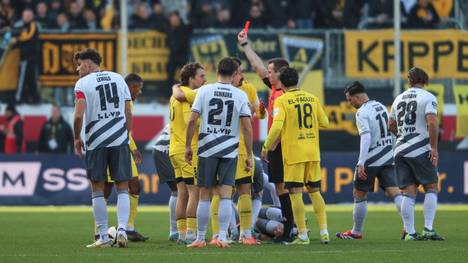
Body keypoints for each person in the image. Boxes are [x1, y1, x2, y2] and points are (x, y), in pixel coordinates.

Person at [185, 57, 253, 248]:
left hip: (207, 149)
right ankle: (222, 237)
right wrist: (248, 153)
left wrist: (188, 146)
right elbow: (247, 127)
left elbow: (192, 120)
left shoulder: (204, 91)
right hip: (229, 150)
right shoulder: (239, 95)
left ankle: (200, 238)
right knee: (225, 194)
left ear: (217, 72)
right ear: (234, 75)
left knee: (204, 194)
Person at [238, 30, 295, 243]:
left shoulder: (285, 95)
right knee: (282, 187)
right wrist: (245, 45)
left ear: (280, 74)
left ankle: (290, 230)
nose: (267, 74)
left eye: (271, 71)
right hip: (277, 146)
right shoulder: (275, 89)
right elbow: (257, 66)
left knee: (286, 187)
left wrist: (272, 145)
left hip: (283, 146)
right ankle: (292, 227)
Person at [261, 67, 329, 245]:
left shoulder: (282, 101)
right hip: (313, 152)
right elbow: (325, 123)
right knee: (315, 192)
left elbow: (276, 127)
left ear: (281, 83)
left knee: (295, 194)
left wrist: (266, 146)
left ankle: (303, 235)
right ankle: (324, 232)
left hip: (294, 154)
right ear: (297, 81)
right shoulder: (312, 98)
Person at [73, 48, 132, 248]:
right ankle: (122, 229)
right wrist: (126, 135)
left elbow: (79, 115)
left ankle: (103, 236)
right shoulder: (118, 78)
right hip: (119, 139)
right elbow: (128, 111)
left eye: (79, 64)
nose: (77, 69)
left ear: (88, 64)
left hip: (96, 141)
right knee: (122, 186)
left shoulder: (82, 83)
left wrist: (76, 138)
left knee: (97, 189)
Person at [336, 81, 403, 240]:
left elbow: (366, 138)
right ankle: (410, 229)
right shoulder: (381, 106)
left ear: (357, 96)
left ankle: (356, 232)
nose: (349, 103)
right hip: (387, 157)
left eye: (350, 99)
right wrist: (392, 152)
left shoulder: (362, 112)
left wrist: (361, 162)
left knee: (359, 194)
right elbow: (392, 132)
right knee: (395, 193)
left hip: (371, 159)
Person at [209, 57, 266, 245]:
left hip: (240, 148)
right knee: (220, 192)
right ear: (231, 74)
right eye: (239, 72)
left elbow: (259, 113)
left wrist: (260, 110)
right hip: (226, 148)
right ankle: (219, 233)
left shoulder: (247, 89)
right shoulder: (221, 91)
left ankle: (245, 233)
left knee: (244, 190)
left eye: (242, 72)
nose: (242, 75)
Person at [388, 67, 444, 241]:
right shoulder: (428, 97)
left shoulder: (398, 98)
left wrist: (403, 137)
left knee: (408, 192)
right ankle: (428, 229)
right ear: (425, 80)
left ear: (409, 81)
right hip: (420, 148)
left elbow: (391, 125)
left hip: (400, 149)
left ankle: (410, 233)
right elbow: (432, 123)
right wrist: (433, 148)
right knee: (431, 187)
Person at [169, 62, 206, 244]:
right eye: (201, 76)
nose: (204, 80)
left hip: (174, 150)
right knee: (195, 193)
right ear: (191, 79)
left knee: (182, 193)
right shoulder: (189, 95)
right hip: (187, 149)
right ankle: (191, 233)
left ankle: (182, 234)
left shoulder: (174, 94)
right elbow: (189, 121)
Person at [152, 124, 179, 241]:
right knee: (180, 191)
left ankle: (175, 231)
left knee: (178, 191)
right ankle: (176, 231)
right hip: (168, 149)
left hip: (161, 149)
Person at [12, 8, 40, 104]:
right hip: (25, 57)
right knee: (29, 79)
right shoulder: (22, 26)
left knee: (23, 78)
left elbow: (27, 36)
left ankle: (18, 98)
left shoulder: (33, 26)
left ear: (32, 16)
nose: (27, 17)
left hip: (28, 57)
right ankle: (34, 98)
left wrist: (17, 38)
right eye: (25, 16)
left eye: (28, 16)